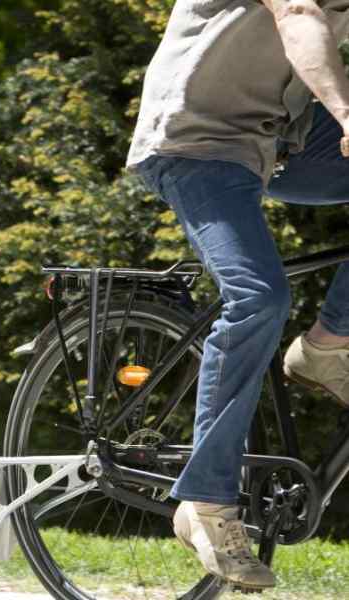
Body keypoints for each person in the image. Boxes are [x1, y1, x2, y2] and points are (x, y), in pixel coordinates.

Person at [128, 0, 349, 589]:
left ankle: (328, 345)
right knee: (259, 296)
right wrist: (347, 112)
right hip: (195, 142)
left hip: (282, 137)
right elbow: (298, 14)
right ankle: (204, 500)